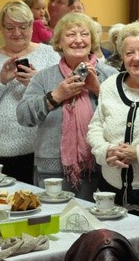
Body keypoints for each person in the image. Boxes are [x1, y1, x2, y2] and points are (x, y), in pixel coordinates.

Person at [17, 12, 117, 196]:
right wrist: (56, 95)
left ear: (93, 40)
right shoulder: (43, 77)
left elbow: (122, 115)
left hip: (99, 165)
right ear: (59, 43)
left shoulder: (110, 74)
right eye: (71, 35)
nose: (78, 40)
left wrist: (98, 90)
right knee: (53, 221)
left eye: (84, 34)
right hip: (51, 169)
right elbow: (24, 116)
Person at [0, 1, 60, 184]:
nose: (16, 33)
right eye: (10, 27)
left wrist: (34, 82)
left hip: (37, 152)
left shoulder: (49, 54)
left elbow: (60, 100)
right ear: (1, 28)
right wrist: (0, 80)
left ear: (32, 27)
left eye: (23, 27)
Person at [86, 22, 139, 220]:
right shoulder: (111, 84)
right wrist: (106, 151)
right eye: (129, 53)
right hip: (109, 191)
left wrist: (138, 154)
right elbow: (95, 127)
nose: (136, 58)